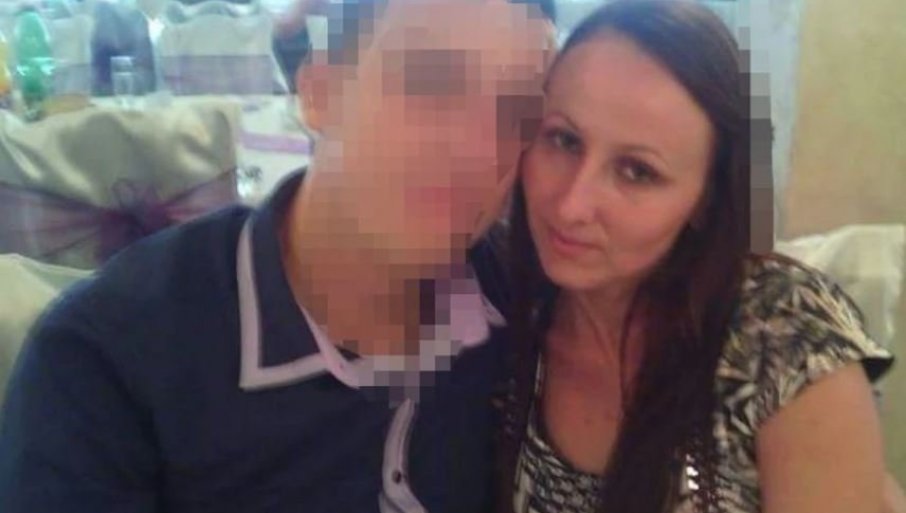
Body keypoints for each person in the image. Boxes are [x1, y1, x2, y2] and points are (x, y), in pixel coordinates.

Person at [0, 0, 555, 511]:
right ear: (318, 91)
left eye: (516, 111)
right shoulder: (108, 361)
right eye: (430, 81)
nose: (479, 149)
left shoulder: (532, 321)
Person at [485, 2, 895, 512]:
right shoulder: (498, 306)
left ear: (705, 200)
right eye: (563, 139)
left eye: (637, 172)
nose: (571, 205)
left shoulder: (783, 338)